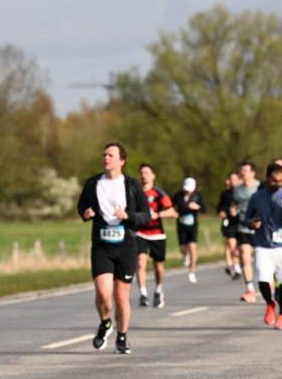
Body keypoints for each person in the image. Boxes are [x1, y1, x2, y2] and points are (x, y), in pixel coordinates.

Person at [77, 142, 152, 354]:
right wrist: (86, 213)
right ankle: (105, 322)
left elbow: (146, 215)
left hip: (126, 245)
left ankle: (122, 337)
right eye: (104, 155)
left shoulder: (131, 185)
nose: (106, 158)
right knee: (103, 293)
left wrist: (128, 216)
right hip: (102, 246)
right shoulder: (93, 183)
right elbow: (82, 205)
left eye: (110, 155)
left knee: (121, 297)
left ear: (121, 161)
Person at [245, 162, 282, 331]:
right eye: (273, 181)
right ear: (267, 178)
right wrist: (252, 223)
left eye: (280, 181)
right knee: (263, 280)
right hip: (263, 244)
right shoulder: (257, 197)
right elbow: (248, 217)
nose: (276, 184)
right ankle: (270, 303)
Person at [135, 164, 176, 308]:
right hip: (140, 233)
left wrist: (157, 214)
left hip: (157, 234)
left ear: (153, 176)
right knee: (140, 262)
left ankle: (158, 290)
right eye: (142, 173)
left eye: (146, 173)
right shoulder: (136, 192)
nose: (144, 175)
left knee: (158, 267)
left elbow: (172, 212)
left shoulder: (159, 193)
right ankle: (143, 294)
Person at [232, 161, 261, 302]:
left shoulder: (260, 187)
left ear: (252, 172)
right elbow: (234, 205)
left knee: (262, 259)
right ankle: (250, 289)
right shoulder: (237, 190)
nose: (242, 173)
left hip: (259, 227)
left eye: (245, 170)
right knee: (244, 255)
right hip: (243, 227)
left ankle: (270, 283)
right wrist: (232, 210)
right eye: (241, 171)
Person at [173, 177, 204, 283]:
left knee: (192, 247)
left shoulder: (197, 196)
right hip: (181, 225)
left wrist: (197, 207)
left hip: (193, 225)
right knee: (182, 248)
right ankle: (186, 255)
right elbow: (172, 206)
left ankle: (192, 272)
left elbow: (204, 209)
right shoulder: (178, 195)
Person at [217, 172, 243, 279]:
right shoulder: (226, 194)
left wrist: (237, 211)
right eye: (230, 179)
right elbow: (220, 207)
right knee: (230, 243)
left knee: (237, 246)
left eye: (234, 179)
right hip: (229, 222)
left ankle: (235, 264)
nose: (232, 181)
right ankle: (232, 265)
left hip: (240, 222)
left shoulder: (242, 192)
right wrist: (223, 211)